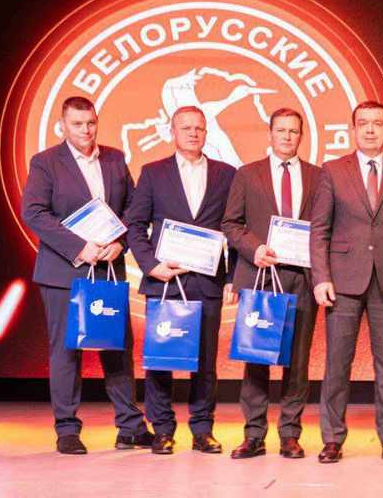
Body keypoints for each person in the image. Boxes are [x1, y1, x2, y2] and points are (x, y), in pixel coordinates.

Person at [21, 96, 151, 454]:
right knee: (67, 351)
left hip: (108, 267)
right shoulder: (46, 162)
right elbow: (34, 212)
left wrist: (119, 242)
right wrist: (81, 247)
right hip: (64, 271)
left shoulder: (115, 158)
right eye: (77, 124)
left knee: (117, 347)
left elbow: (133, 208)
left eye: (90, 123)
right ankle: (67, 430)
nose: (86, 130)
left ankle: (130, 427)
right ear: (63, 126)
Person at [309, 100, 383, 464]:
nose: (370, 130)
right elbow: (320, 229)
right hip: (342, 282)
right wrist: (321, 277)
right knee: (337, 364)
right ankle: (332, 438)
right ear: (353, 129)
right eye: (363, 123)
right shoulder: (333, 170)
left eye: (377, 123)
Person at [125, 105, 237, 455]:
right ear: (172, 132)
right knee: (161, 360)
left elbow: (235, 228)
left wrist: (233, 277)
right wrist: (150, 265)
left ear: (206, 133)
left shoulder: (227, 174)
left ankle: (203, 429)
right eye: (185, 127)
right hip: (166, 281)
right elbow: (135, 225)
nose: (192, 133)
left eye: (198, 128)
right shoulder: (153, 172)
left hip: (208, 282)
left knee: (205, 362)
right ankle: (162, 430)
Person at [222, 108, 322, 460]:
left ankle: (290, 434)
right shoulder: (247, 174)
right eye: (281, 130)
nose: (287, 136)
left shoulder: (318, 176)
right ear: (270, 134)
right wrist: (255, 249)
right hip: (261, 275)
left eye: (293, 131)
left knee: (298, 361)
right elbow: (231, 224)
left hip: (302, 278)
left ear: (301, 136)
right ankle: (253, 434)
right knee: (256, 358)